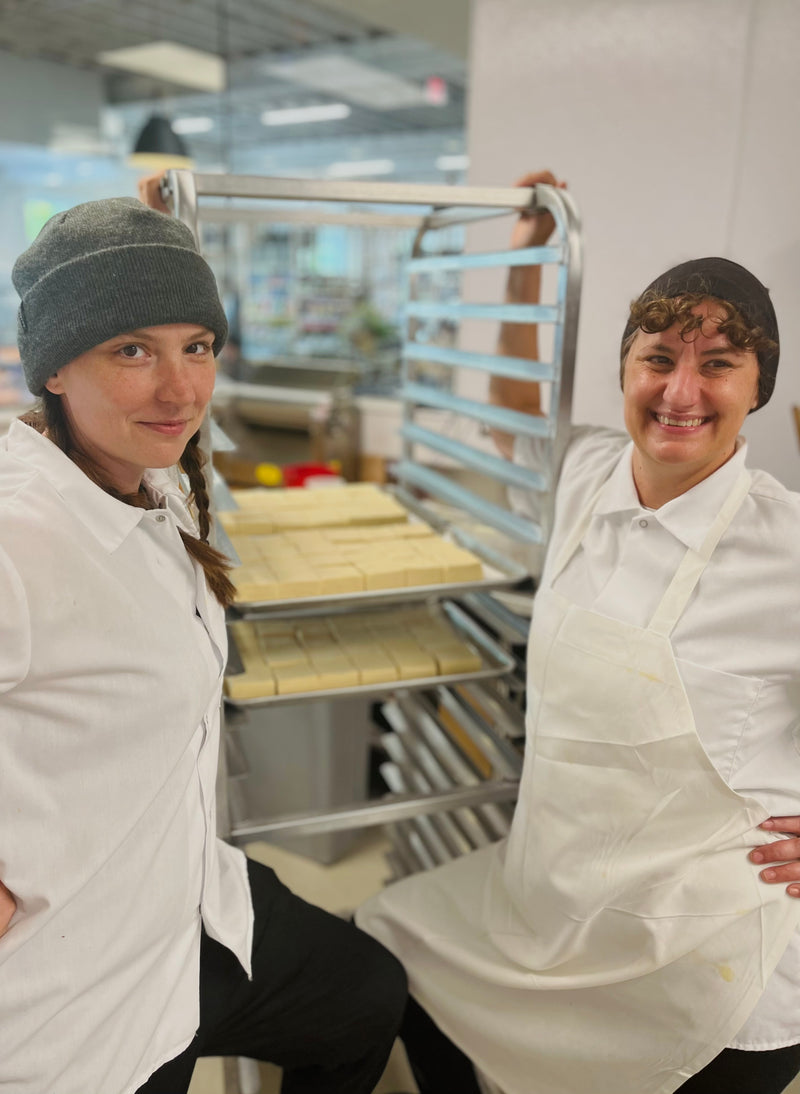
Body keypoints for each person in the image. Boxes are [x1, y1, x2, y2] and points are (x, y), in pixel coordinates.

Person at [357, 171, 800, 1094]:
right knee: (390, 941)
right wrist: (527, 265)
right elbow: (517, 410)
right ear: (625, 369)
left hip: (706, 949)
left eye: (717, 364)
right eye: (657, 358)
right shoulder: (586, 471)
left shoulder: (784, 545)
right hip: (558, 895)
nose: (680, 390)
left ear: (758, 389)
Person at [0, 196, 407, 1094]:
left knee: (367, 997)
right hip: (77, 1015)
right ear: (54, 369)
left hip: (182, 903)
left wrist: (157, 234)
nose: (180, 389)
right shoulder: (21, 532)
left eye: (198, 345)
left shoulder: (149, 479)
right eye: (132, 349)